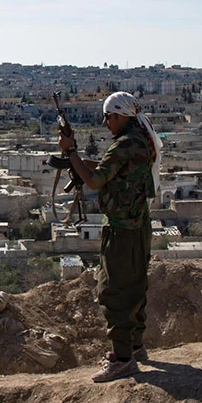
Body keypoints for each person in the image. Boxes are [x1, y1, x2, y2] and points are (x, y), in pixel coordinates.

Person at [57, 91, 162, 383]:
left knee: (113, 291)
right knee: (135, 286)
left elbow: (95, 180)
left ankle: (123, 359)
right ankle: (136, 347)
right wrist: (76, 157)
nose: (105, 122)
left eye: (109, 116)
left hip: (121, 230)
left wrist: (71, 153)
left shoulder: (125, 144)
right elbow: (107, 168)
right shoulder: (139, 139)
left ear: (120, 115)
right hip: (138, 225)